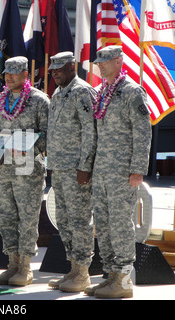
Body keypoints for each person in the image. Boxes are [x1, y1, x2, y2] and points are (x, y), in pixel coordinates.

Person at [84, 46, 152, 298]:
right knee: (103, 224)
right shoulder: (101, 93)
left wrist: (137, 169)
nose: (100, 65)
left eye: (105, 61)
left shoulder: (132, 91)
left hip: (123, 171)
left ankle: (123, 278)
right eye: (98, 62)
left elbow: (143, 132)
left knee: (121, 223)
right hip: (102, 170)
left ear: (119, 61)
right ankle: (111, 274)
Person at [0, 56, 49, 286]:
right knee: (5, 217)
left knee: (27, 218)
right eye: (7, 72)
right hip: (2, 170)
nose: (10, 76)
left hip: (28, 170)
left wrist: (30, 148)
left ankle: (25, 267)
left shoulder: (39, 101)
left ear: (25, 75)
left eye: (15, 72)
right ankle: (11, 264)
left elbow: (47, 133)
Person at [46, 52, 97, 292]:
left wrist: (85, 167)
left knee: (79, 221)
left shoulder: (82, 91)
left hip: (77, 170)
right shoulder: (58, 92)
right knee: (64, 221)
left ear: (72, 66)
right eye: (53, 69)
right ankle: (73, 269)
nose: (55, 72)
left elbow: (90, 131)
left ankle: (84, 272)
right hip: (59, 168)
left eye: (60, 68)